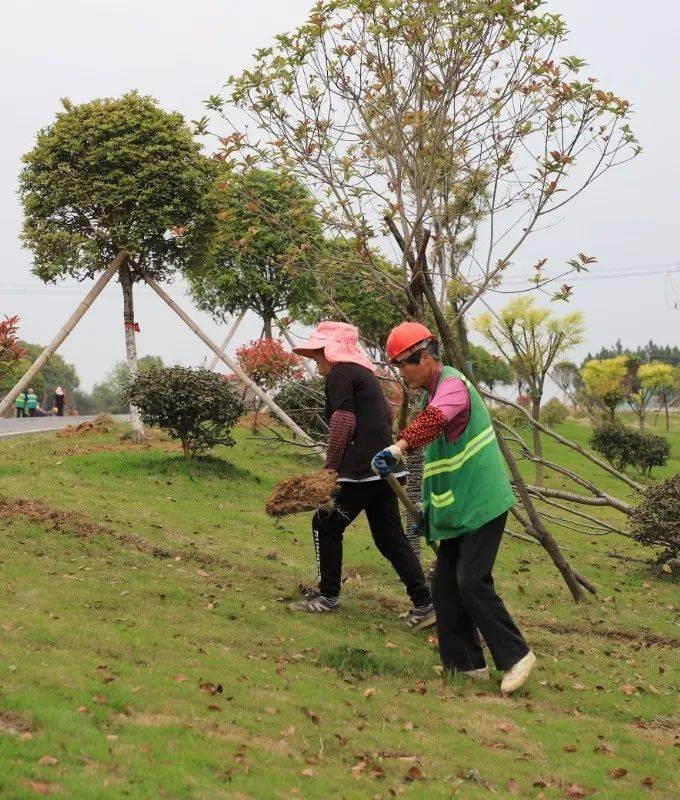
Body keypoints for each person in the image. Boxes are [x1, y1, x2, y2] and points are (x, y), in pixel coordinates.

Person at [372, 322, 535, 693]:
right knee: (444, 585)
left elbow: (434, 422)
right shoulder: (434, 393)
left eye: (404, 365)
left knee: (471, 581)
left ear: (424, 358)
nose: (402, 374)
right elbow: (442, 467)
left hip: (484, 504)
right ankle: (464, 666)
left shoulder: (453, 387)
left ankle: (516, 656)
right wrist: (429, 516)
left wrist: (398, 448)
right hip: (461, 511)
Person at [288, 321, 435, 629]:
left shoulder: (341, 373)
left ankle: (328, 596)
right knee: (389, 537)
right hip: (384, 468)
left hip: (361, 469)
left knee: (325, 523)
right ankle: (425, 603)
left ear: (332, 351)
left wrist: (330, 469)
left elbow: (343, 421)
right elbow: (387, 414)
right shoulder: (364, 374)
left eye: (318, 355)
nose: (316, 362)